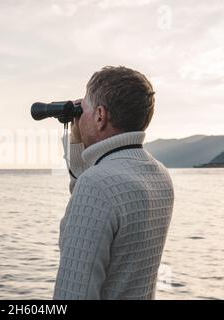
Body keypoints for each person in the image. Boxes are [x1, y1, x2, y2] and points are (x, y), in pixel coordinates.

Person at [53, 66, 174, 300]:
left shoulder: (97, 185)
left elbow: (74, 292)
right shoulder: (160, 175)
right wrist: (77, 144)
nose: (80, 116)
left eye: (83, 108)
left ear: (100, 115)